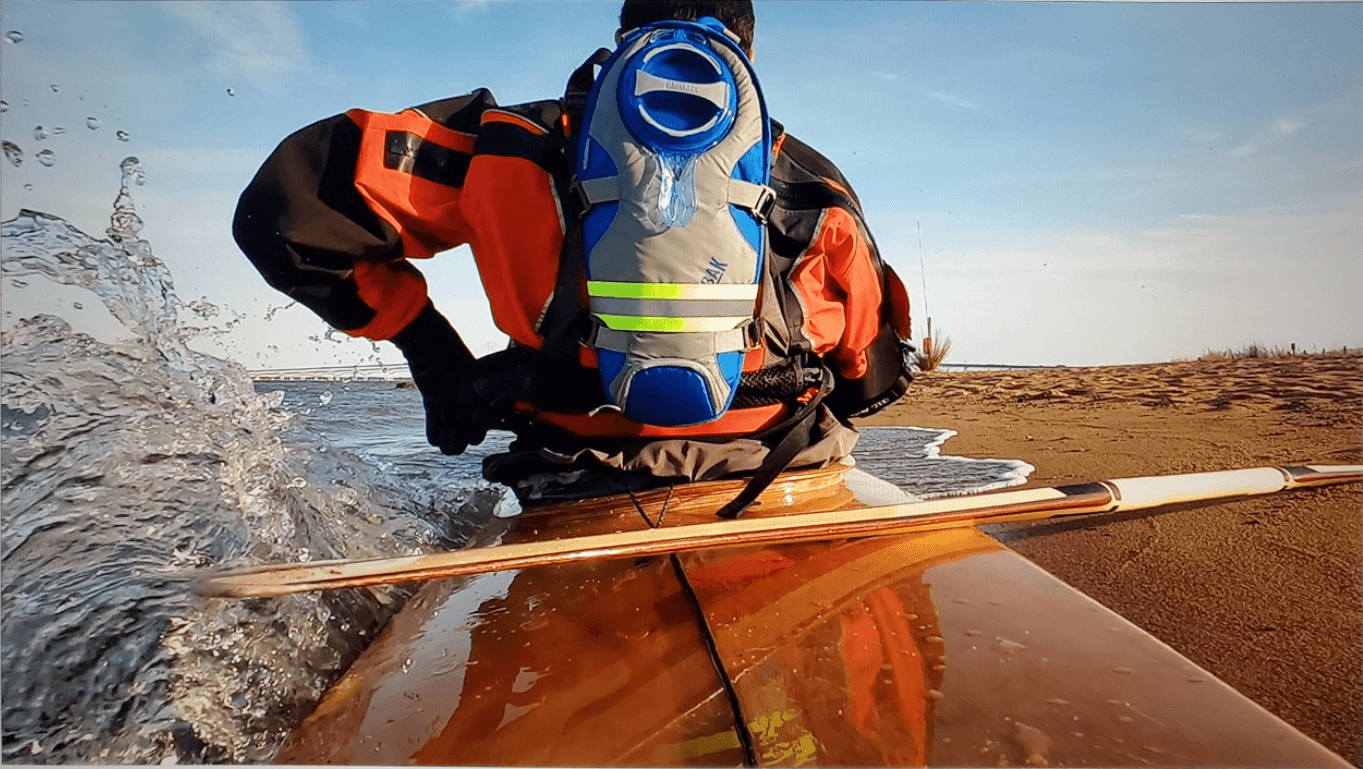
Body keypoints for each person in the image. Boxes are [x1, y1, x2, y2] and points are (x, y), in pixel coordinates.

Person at [233, 0, 912, 511]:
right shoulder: (814, 186)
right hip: (780, 473)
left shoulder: (504, 144)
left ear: (622, 42)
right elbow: (870, 381)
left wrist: (431, 351)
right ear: (747, 60)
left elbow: (283, 215)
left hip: (570, 478)